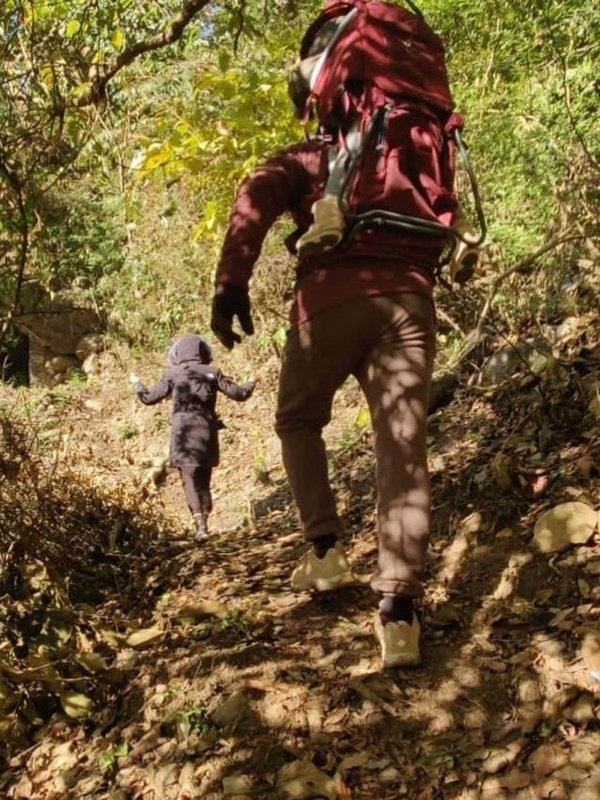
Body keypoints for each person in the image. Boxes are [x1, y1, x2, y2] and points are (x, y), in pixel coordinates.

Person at [210, 127, 445, 668]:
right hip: (409, 297)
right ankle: (399, 613)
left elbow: (255, 195)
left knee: (298, 420)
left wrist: (231, 282)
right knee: (401, 443)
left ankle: (325, 551)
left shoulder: (310, 154)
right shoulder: (409, 145)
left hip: (329, 302)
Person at [130, 334, 255, 541]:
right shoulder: (212, 372)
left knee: (189, 478)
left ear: (178, 353)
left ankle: (201, 526)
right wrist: (251, 382)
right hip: (207, 431)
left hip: (183, 433)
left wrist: (136, 384)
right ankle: (205, 521)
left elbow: (149, 398)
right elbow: (239, 394)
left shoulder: (173, 373)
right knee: (204, 478)